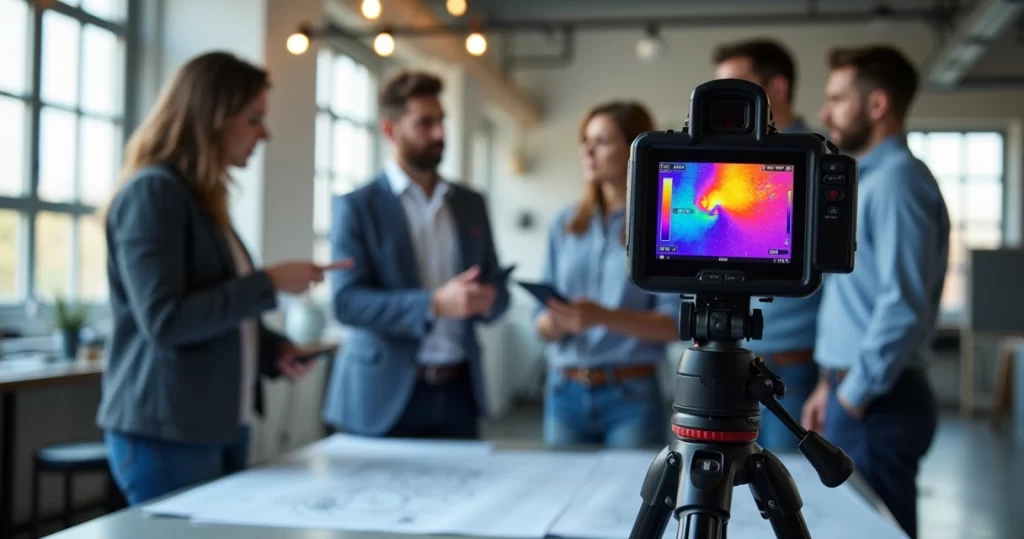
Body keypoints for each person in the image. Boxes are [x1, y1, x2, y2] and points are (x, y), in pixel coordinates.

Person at [96, 51, 350, 505]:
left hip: (219, 422)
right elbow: (165, 320)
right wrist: (269, 283)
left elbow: (218, 313)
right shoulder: (153, 193)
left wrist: (274, 351)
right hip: (168, 430)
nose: (264, 134)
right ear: (211, 117)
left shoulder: (201, 201)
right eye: (254, 118)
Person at [803, 45, 949, 539]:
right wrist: (829, 383)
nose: (825, 113)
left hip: (877, 401)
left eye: (837, 99)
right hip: (856, 389)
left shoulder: (897, 182)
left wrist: (853, 394)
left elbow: (902, 306)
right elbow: (855, 299)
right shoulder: (871, 178)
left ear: (878, 104)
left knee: (874, 532)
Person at [321, 69, 510, 439]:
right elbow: (346, 303)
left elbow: (497, 288)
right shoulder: (357, 207)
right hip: (381, 396)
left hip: (459, 392)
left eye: (441, 121)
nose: (440, 134)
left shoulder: (471, 204)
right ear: (389, 130)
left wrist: (490, 299)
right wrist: (434, 304)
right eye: (425, 123)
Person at [534, 101, 679, 449]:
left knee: (630, 487)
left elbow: (676, 324)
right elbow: (539, 318)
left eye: (601, 141)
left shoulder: (664, 225)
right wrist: (551, 324)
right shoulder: (565, 223)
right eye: (585, 140)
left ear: (634, 149)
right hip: (563, 390)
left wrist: (602, 316)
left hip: (630, 396)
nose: (587, 150)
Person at [711, 38, 822, 451]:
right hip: (724, 361)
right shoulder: (721, 161)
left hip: (792, 369)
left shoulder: (819, 161)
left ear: (776, 88)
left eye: (735, 86)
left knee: (788, 480)